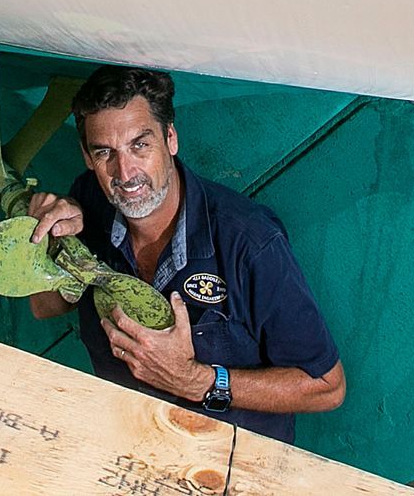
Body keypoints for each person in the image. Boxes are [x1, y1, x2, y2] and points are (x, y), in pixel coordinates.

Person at [25, 65, 346, 442]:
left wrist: (197, 381)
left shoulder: (250, 243)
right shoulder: (90, 203)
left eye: (140, 145)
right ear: (87, 156)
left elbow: (328, 386)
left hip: (231, 462)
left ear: (171, 138)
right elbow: (45, 307)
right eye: (105, 153)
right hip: (129, 441)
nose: (125, 172)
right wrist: (47, 242)